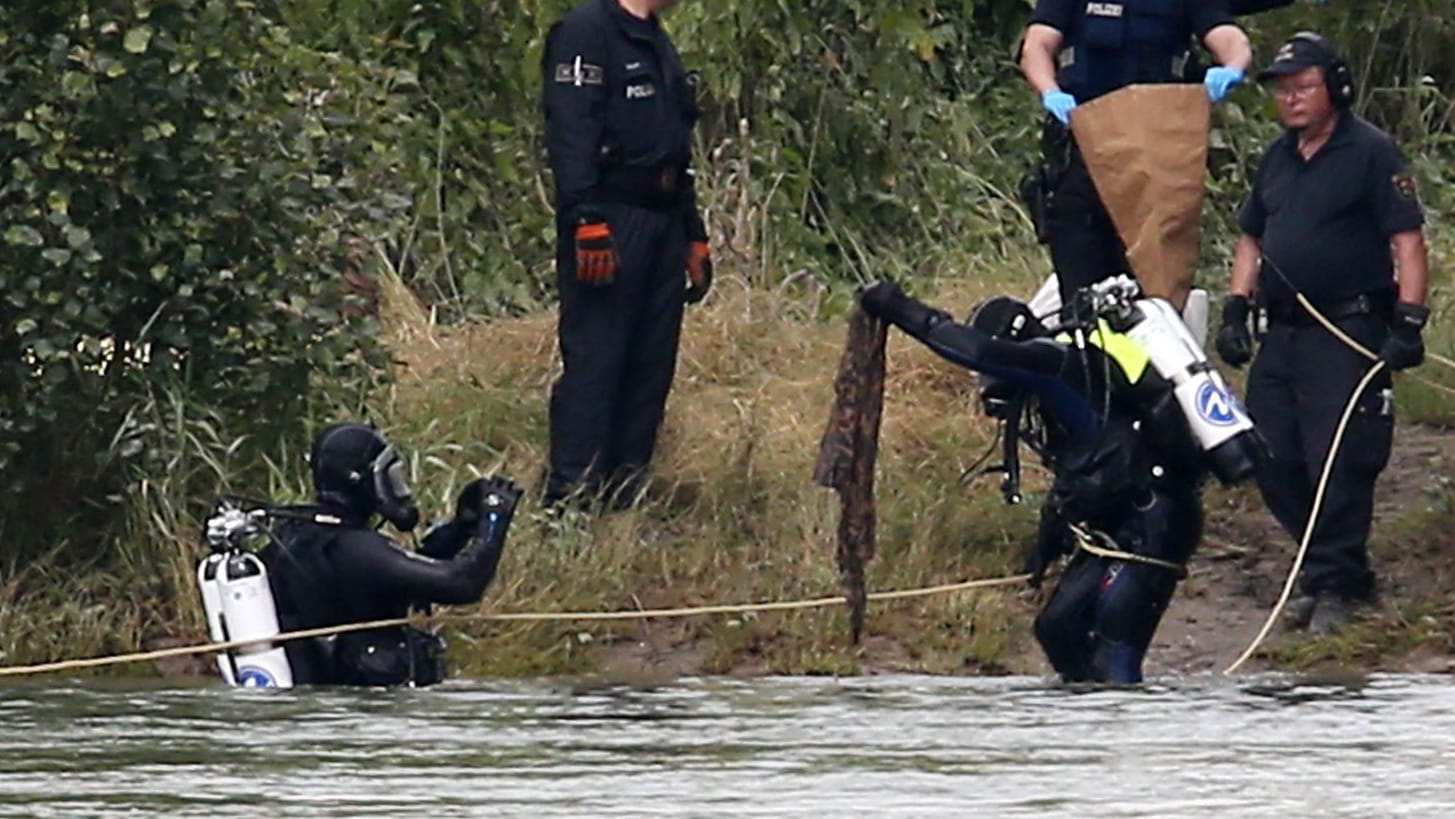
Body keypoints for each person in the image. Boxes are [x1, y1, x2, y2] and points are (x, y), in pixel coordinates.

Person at [859, 277, 1259, 684]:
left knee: (1112, 651)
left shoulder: (1055, 364)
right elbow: (1091, 463)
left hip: (1156, 523)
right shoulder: (1069, 383)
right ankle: (1087, 733)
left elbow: (976, 351)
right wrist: (1050, 538)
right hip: (1122, 522)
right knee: (1057, 631)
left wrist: (898, 308)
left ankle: (1132, 729)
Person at [1214, 32, 1430, 635]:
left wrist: (1410, 321)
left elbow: (1407, 240)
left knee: (1340, 455)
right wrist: (1235, 307)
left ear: (1334, 87)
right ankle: (1326, 567)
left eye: (1303, 86)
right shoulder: (1277, 158)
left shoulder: (1372, 153)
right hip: (1283, 332)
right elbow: (1252, 236)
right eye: (1283, 90)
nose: (1291, 100)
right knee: (1268, 450)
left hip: (1349, 326)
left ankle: (1338, 581)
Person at [540, 0, 712, 510]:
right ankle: (571, 502)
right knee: (598, 360)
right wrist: (584, 218)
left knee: (649, 366)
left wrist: (692, 231)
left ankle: (623, 501)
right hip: (610, 218)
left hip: (662, 221)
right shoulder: (586, 33)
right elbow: (571, 132)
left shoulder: (657, 41)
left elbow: (673, 146)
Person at [1018, 0, 1253, 304]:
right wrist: (1050, 91)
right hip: (1085, 153)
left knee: (1154, 295)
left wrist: (1232, 67)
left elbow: (1231, 39)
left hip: (1155, 162)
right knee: (1083, 298)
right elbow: (1035, 47)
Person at [263, 423, 522, 686]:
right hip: (368, 711)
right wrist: (494, 520)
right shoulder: (356, 549)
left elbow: (401, 577)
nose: (397, 489)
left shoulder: (299, 539)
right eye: (390, 476)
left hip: (328, 704)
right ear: (362, 480)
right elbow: (461, 584)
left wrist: (460, 528)